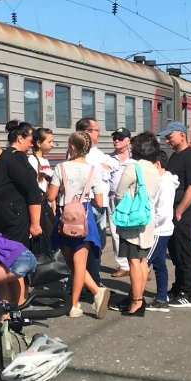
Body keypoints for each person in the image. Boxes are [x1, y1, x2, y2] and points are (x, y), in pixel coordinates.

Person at [47, 131, 111, 319]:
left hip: (64, 217)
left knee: (70, 263)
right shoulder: (94, 170)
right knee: (80, 263)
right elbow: (99, 200)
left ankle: (78, 301)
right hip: (84, 217)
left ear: (72, 147)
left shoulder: (61, 167)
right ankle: (87, 296)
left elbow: (51, 196)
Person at [112, 132, 161, 317]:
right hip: (147, 220)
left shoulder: (133, 169)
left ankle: (137, 301)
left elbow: (119, 194)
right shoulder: (154, 170)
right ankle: (138, 299)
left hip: (132, 222)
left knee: (133, 262)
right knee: (142, 261)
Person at [159, 121, 191, 308]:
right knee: (176, 253)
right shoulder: (175, 157)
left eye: (170, 136)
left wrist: (179, 211)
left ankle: (188, 293)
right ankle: (178, 288)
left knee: (185, 254)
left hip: (182, 213)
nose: (167, 140)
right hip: (172, 211)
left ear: (182, 135)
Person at [0, 120, 43, 246]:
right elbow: (33, 190)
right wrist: (35, 224)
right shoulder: (17, 158)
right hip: (16, 222)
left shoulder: (4, 156)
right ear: (20, 138)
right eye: (30, 140)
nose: (32, 144)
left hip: (2, 219)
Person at [75, 117, 110, 287]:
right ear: (87, 132)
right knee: (92, 246)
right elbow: (99, 173)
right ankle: (93, 282)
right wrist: (103, 168)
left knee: (96, 245)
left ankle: (89, 281)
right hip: (91, 205)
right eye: (96, 130)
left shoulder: (96, 152)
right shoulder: (83, 154)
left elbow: (110, 167)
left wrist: (105, 167)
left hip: (99, 206)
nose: (99, 133)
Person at [144, 149, 178, 312]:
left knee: (143, 264)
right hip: (161, 230)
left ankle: (134, 298)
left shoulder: (164, 184)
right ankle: (161, 298)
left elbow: (163, 212)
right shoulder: (163, 181)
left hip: (159, 231)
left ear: (157, 164)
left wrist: (149, 225)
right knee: (159, 264)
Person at [105, 127, 134, 278]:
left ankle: (138, 264)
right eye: (114, 138)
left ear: (128, 141)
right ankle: (123, 265)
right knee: (116, 230)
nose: (116, 141)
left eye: (120, 138)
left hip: (132, 199)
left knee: (135, 229)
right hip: (113, 198)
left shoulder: (135, 159)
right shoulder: (108, 159)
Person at [27, 127, 55, 236]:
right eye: (49, 141)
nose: (52, 144)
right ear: (38, 143)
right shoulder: (32, 160)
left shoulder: (45, 160)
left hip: (46, 201)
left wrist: (53, 203)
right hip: (39, 203)